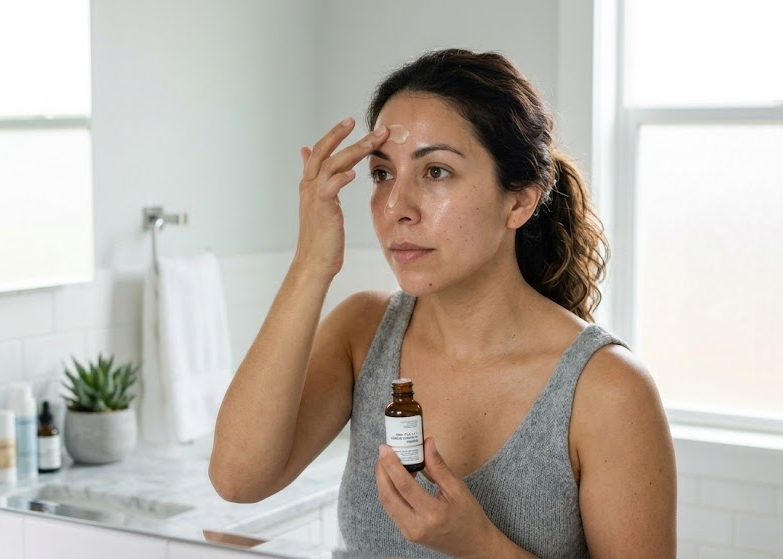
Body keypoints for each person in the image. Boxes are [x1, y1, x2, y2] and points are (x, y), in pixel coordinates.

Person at [209, 48, 676, 558]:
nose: (395, 208)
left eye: (435, 172)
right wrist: (310, 264)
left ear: (518, 200)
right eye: (383, 173)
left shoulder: (608, 390)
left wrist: (479, 546)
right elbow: (238, 479)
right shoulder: (362, 333)